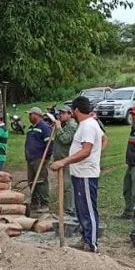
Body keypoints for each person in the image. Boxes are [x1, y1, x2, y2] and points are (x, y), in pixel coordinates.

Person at [50, 96, 105, 252]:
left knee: (88, 210)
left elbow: (86, 151)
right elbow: (103, 139)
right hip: (80, 173)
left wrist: (64, 161)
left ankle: (92, 244)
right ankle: (86, 239)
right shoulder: (87, 124)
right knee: (81, 210)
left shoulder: (88, 126)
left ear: (75, 110)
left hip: (86, 175)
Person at [25, 107, 53, 212]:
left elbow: (49, 144)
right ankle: (35, 202)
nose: (29, 116)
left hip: (40, 158)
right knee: (31, 181)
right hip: (30, 158)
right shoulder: (30, 128)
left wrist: (46, 158)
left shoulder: (44, 127)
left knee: (41, 181)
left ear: (36, 115)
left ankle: (45, 203)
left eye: (30, 114)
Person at [53, 105, 78, 215]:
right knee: (62, 185)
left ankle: (69, 209)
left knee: (67, 186)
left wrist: (58, 128)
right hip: (60, 159)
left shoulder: (72, 126)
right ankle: (64, 208)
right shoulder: (63, 125)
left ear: (70, 114)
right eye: (60, 113)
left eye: (63, 113)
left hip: (67, 160)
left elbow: (65, 139)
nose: (60, 115)